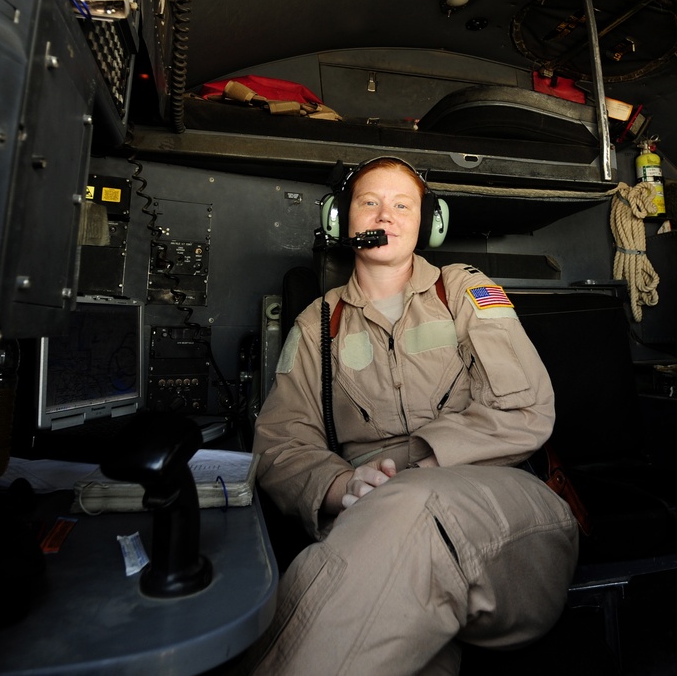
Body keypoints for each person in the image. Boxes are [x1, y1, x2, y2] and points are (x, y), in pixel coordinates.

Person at [246, 157, 579, 674]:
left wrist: (413, 474)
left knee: (408, 512)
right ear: (341, 221)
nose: (387, 214)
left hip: (499, 508)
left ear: (429, 224)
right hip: (369, 521)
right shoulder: (317, 323)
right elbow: (279, 445)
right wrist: (344, 487)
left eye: (404, 204)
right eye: (369, 202)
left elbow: (525, 408)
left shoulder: (466, 290)